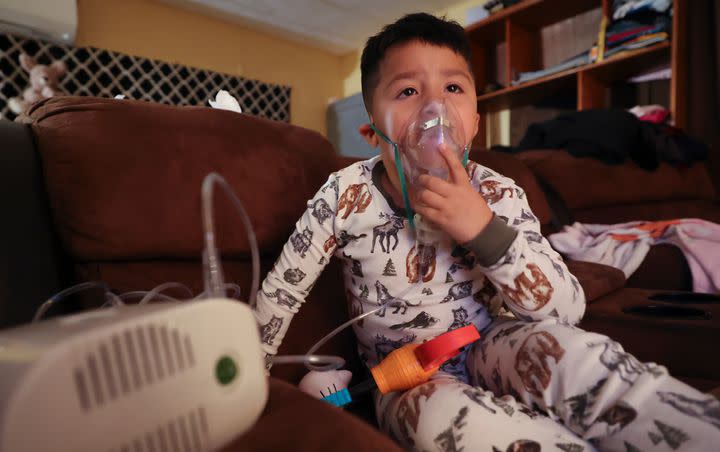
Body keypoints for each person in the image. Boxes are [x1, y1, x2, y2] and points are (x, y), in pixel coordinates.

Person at [255, 12, 719, 451]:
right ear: (373, 132)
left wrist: (484, 230)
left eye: (453, 87)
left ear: (475, 120)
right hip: (408, 376)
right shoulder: (343, 195)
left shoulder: (497, 193)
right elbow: (282, 291)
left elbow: (567, 309)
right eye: (408, 92)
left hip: (493, 345)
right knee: (443, 421)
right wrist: (249, 381)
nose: (434, 109)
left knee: (577, 355)